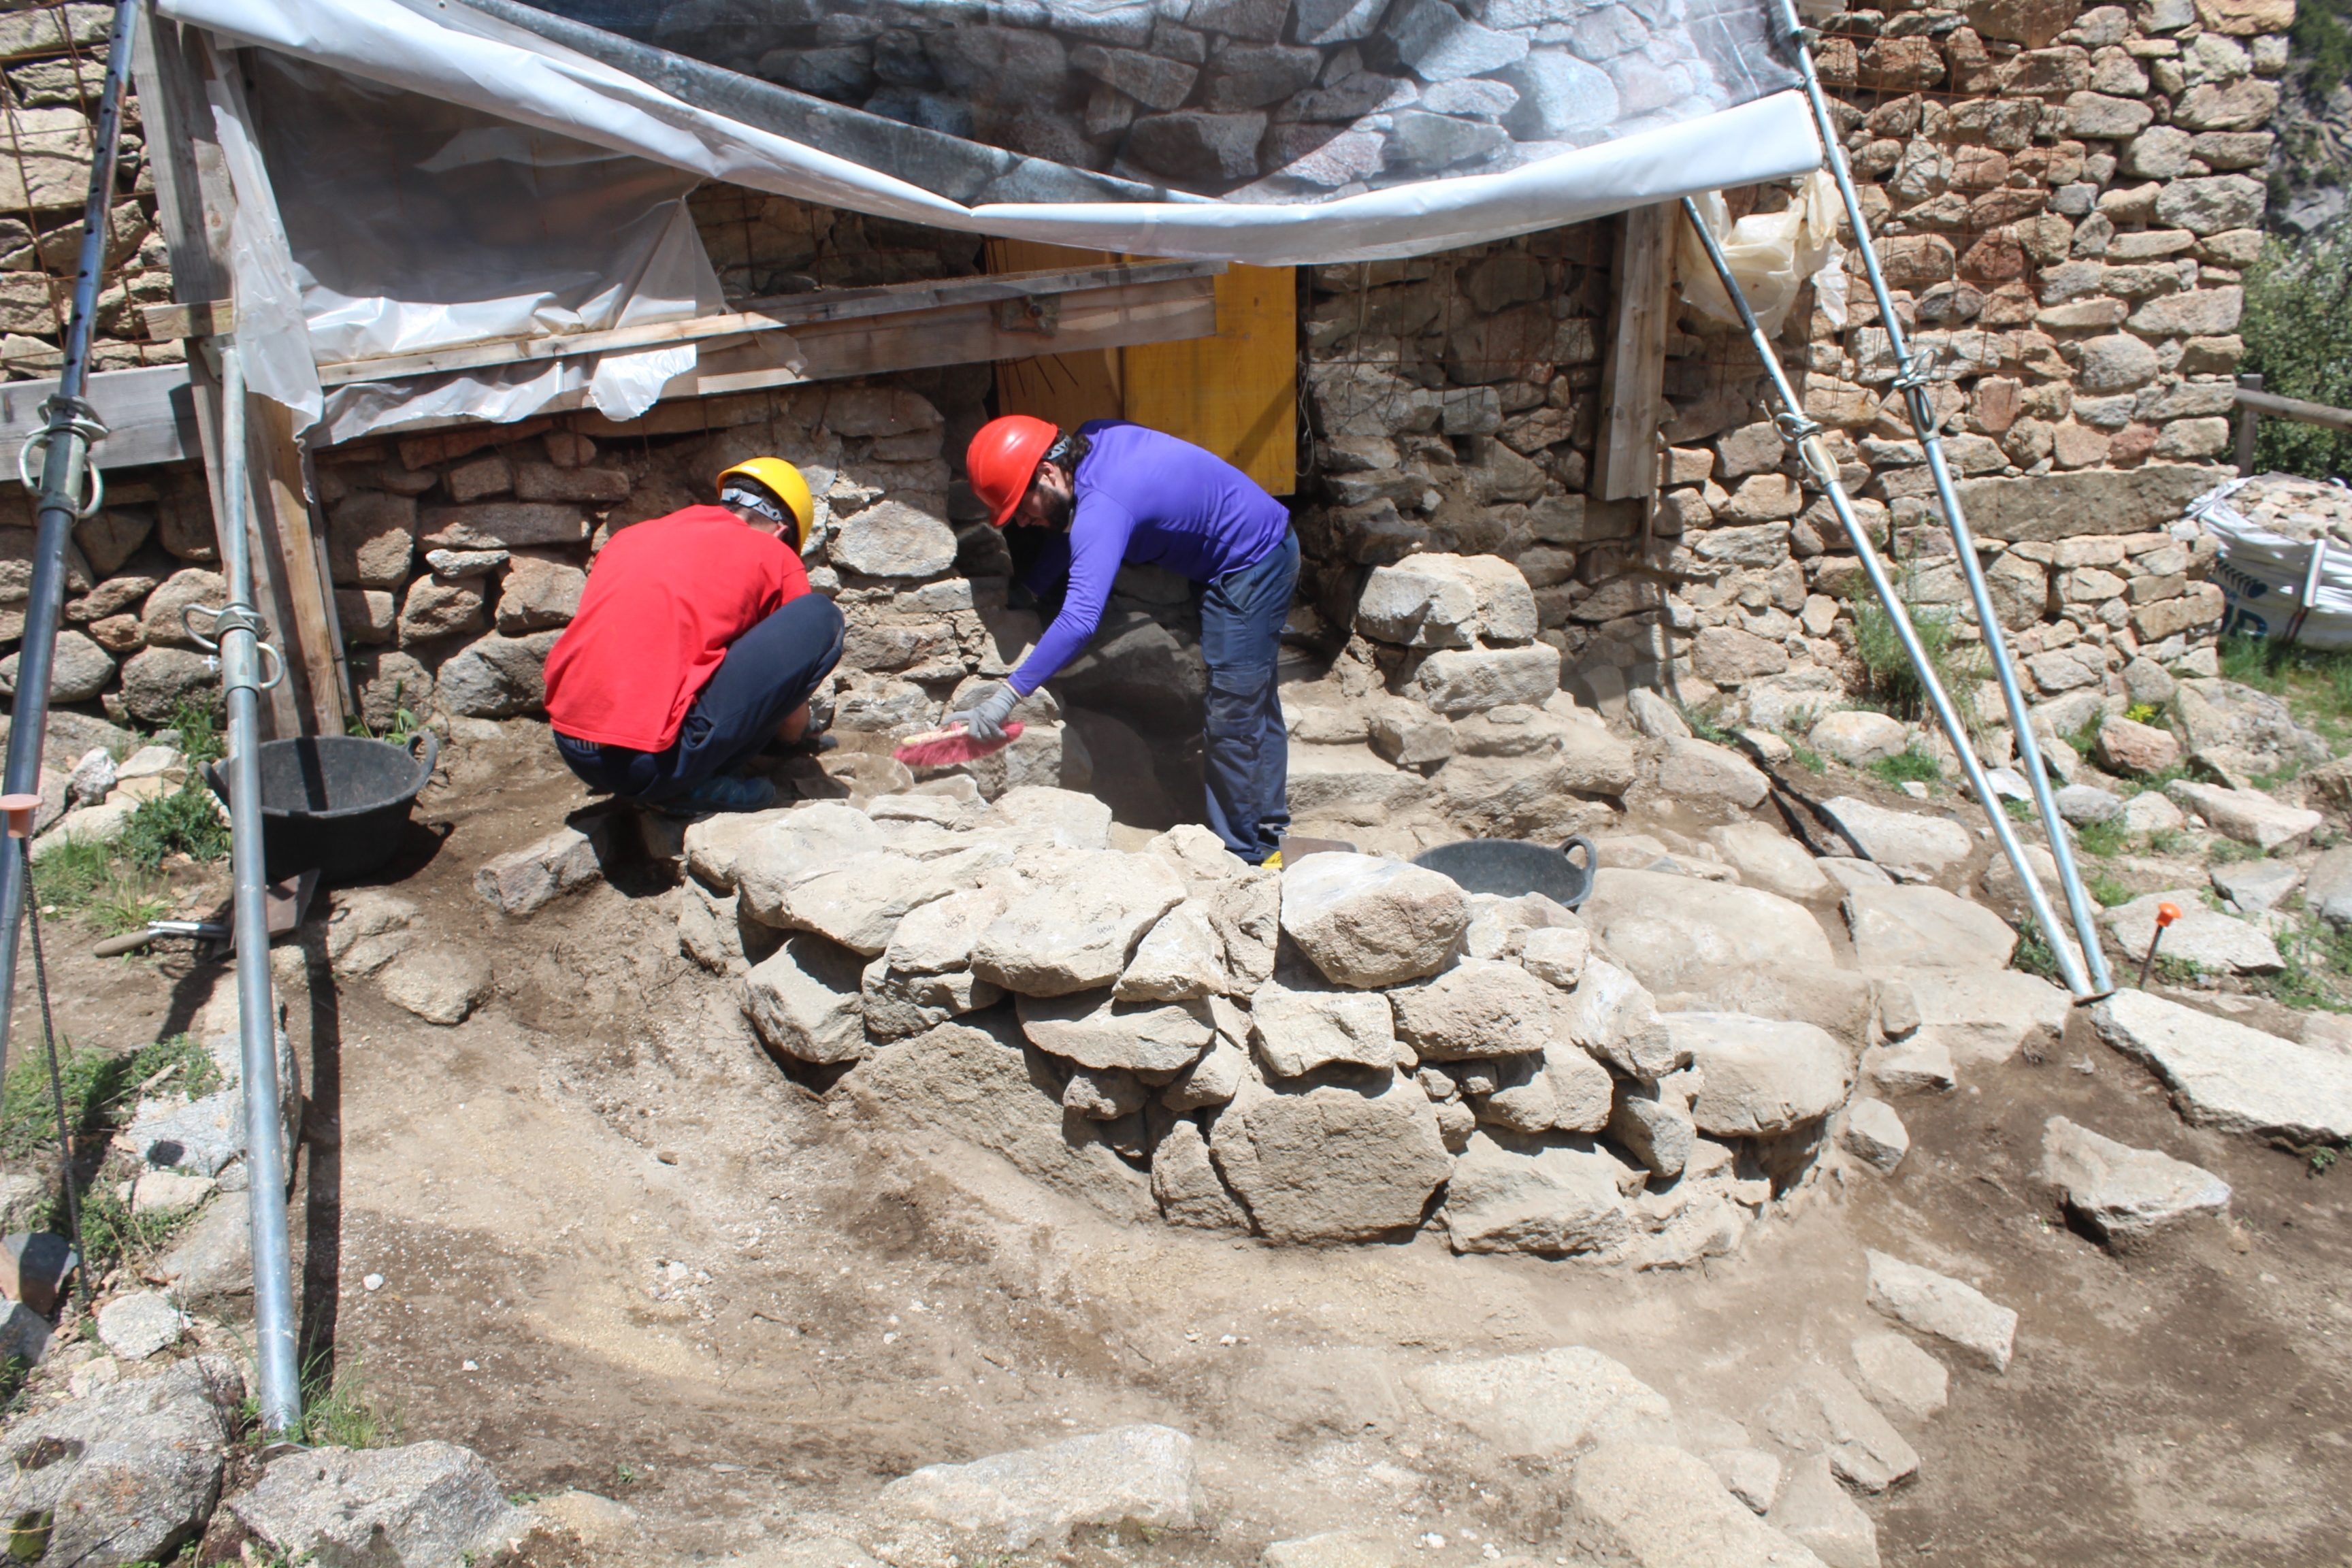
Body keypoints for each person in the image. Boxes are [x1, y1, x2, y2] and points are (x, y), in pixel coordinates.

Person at [955, 416, 1298, 866]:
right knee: (1252, 700)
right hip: (1236, 556)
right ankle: (1269, 832)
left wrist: (1007, 696)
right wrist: (1030, 591)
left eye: (1021, 504)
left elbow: (1080, 618)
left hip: (1253, 566)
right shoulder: (1092, 444)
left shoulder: (1105, 503)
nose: (1021, 519)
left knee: (1234, 717)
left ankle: (1252, 857)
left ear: (1047, 472)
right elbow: (1067, 525)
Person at [544, 458, 843, 815]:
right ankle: (689, 784)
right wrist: (791, 741)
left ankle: (672, 771)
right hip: (648, 767)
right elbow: (790, 710)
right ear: (782, 531)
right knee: (820, 617)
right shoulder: (773, 554)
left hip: (574, 748)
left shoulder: (635, 535)